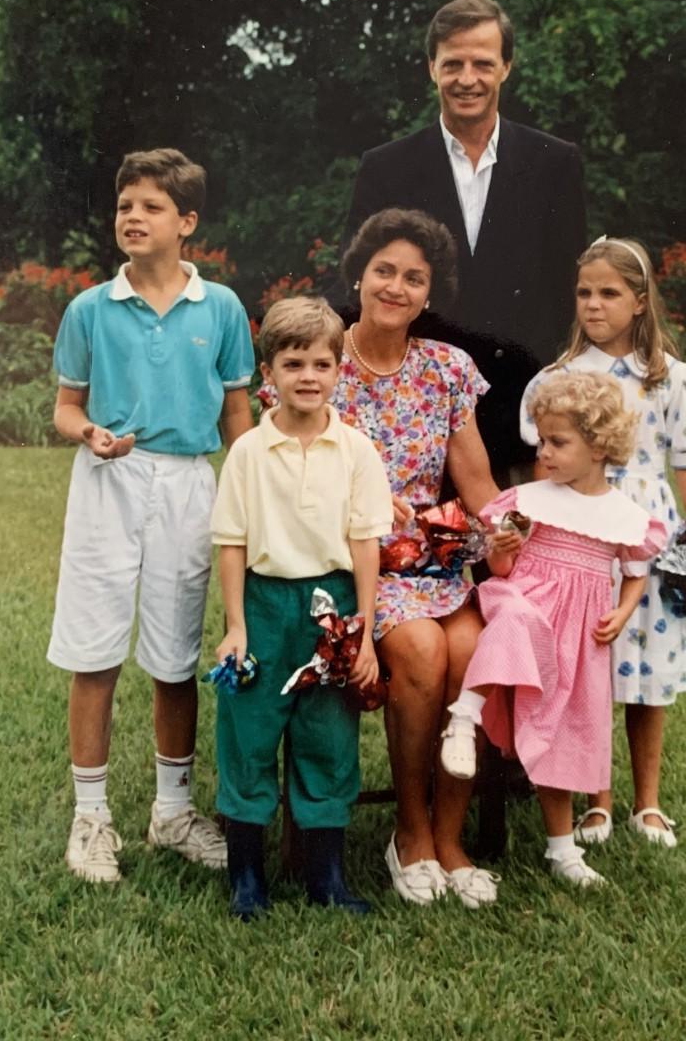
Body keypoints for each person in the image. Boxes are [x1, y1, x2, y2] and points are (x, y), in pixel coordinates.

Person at [269, 208, 502, 907]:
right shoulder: (319, 358)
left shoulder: (447, 369)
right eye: (384, 271)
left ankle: (450, 836)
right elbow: (286, 471)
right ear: (360, 276)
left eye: (414, 277)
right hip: (355, 566)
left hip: (435, 562)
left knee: (477, 653)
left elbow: (479, 482)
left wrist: (510, 537)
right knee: (426, 653)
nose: (396, 287)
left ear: (429, 293)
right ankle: (409, 832)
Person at [47, 147, 255, 883]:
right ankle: (91, 816)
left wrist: (250, 489)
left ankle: (172, 812)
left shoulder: (221, 307)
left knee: (173, 655)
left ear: (187, 222)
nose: (133, 218)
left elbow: (237, 409)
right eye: (124, 206)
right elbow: (66, 407)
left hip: (188, 485)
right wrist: (91, 434)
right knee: (94, 646)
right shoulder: (90, 309)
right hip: (108, 482)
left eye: (151, 207)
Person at [520, 236, 686, 848]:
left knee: (648, 674)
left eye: (609, 293)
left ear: (639, 302)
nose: (594, 304)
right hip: (582, 537)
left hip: (650, 538)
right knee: (591, 666)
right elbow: (545, 468)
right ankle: (596, 802)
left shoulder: (669, 380)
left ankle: (648, 802)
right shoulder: (560, 379)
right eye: (584, 292)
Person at [341, 0, 587, 479]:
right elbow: (353, 281)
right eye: (453, 64)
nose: (467, 79)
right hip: (415, 418)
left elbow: (569, 286)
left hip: (524, 411)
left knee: (519, 554)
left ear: (506, 67)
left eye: (483, 63)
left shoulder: (555, 163)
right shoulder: (386, 167)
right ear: (432, 68)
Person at [441, 372, 666, 888]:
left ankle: (562, 850)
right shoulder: (529, 501)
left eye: (558, 442)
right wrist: (500, 553)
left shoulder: (623, 515)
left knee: (562, 736)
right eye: (542, 440)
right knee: (516, 617)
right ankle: (464, 716)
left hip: (577, 637)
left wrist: (625, 610)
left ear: (599, 446)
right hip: (520, 603)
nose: (544, 453)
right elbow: (500, 574)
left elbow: (635, 573)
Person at [211, 296, 393, 918]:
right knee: (250, 734)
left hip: (333, 610)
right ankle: (247, 878)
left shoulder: (356, 452)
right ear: (270, 374)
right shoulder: (247, 454)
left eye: (322, 363)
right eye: (294, 364)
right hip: (264, 604)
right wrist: (236, 627)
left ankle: (327, 878)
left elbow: (365, 545)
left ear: (340, 371)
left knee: (328, 737)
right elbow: (231, 543)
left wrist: (364, 633)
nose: (308, 376)